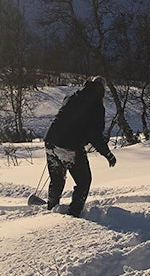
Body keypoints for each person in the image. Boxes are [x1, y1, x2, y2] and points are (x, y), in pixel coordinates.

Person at [43, 76, 116, 217]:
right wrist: (107, 154)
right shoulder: (96, 106)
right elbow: (94, 135)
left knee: (57, 179)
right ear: (103, 90)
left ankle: (51, 209)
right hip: (70, 146)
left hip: (50, 141)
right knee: (84, 181)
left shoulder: (73, 96)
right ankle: (74, 214)